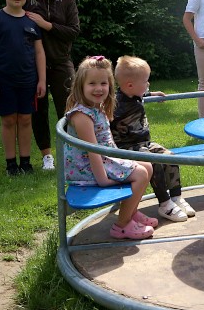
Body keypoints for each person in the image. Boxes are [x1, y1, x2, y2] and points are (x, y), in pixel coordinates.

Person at [63, 56, 157, 240]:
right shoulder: (82, 115)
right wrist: (103, 180)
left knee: (147, 166)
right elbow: (93, 151)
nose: (98, 88)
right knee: (141, 174)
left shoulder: (95, 107)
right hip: (87, 170)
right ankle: (122, 225)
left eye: (103, 83)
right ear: (80, 85)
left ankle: (131, 212)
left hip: (103, 160)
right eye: (92, 83)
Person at [111, 56, 196, 222]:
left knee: (169, 156)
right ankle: (164, 203)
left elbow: (141, 94)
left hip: (144, 144)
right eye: (146, 81)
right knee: (154, 162)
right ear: (130, 85)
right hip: (126, 148)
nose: (148, 84)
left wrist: (150, 94)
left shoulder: (134, 94)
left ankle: (176, 197)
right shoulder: (116, 105)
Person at [0, 0, 47, 176]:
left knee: (25, 120)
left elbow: (39, 52)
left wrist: (42, 80)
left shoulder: (31, 20)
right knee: (9, 120)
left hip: (28, 80)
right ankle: (11, 164)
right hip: (3, 80)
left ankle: (26, 162)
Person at [24, 0, 81, 171]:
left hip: (61, 62)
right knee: (37, 110)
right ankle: (47, 156)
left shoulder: (67, 0)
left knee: (69, 109)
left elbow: (73, 32)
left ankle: (71, 152)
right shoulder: (28, 1)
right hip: (32, 64)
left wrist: (46, 25)